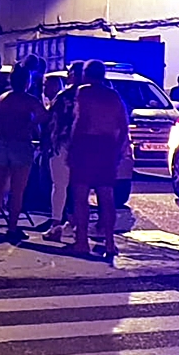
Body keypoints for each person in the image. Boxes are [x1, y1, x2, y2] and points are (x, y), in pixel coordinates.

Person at [68, 60, 129, 256]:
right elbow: (123, 124)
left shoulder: (84, 92)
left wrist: (72, 146)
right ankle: (110, 241)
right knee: (106, 195)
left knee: (80, 194)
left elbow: (81, 119)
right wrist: (118, 149)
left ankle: (82, 240)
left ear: (86, 74)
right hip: (107, 146)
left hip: (87, 145)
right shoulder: (113, 95)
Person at [0, 64, 48, 243]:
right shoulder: (29, 100)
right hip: (20, 145)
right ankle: (12, 227)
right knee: (17, 190)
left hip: (0, 144)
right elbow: (44, 115)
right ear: (27, 82)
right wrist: (31, 125)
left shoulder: (2, 99)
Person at [42, 61, 84, 242]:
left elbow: (50, 120)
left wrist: (46, 144)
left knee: (59, 186)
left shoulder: (64, 95)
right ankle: (76, 224)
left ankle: (56, 224)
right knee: (80, 187)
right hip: (84, 147)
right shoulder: (91, 96)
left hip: (61, 144)